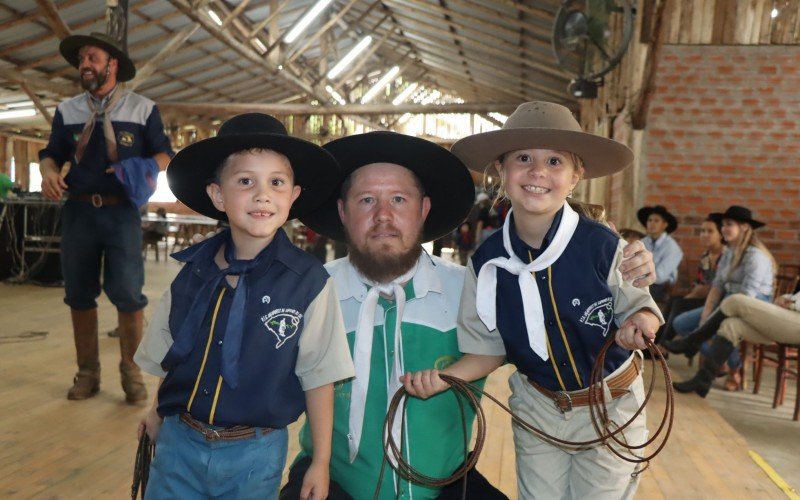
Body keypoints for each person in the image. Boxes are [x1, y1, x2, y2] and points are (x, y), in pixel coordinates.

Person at [285, 130, 659, 499]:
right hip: (334, 484)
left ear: (424, 210)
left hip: (446, 483)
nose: (384, 216)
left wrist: (620, 260)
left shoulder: (475, 283)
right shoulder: (308, 293)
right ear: (342, 211)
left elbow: (549, 293)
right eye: (366, 200)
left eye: (399, 199)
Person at [402, 101, 663, 500]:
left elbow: (641, 309)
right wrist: (443, 377)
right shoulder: (488, 263)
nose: (538, 171)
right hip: (539, 409)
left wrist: (640, 325)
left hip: (612, 407)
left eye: (554, 161)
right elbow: (487, 351)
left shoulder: (603, 245)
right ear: (502, 173)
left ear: (576, 177)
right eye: (523, 158)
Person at [133, 113, 354, 498]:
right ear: (218, 195)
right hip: (179, 444)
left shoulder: (309, 284)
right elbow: (175, 355)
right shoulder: (191, 272)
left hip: (256, 452)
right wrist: (156, 411)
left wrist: (320, 461)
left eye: (276, 182)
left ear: (293, 196)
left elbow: (320, 377)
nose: (262, 194)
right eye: (245, 181)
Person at [38, 32, 173, 403]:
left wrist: (136, 168)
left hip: (122, 214)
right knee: (78, 294)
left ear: (112, 64)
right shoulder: (68, 110)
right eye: (82, 59)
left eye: (92, 58)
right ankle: (87, 374)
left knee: (129, 295)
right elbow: (50, 153)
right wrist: (48, 172)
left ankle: (132, 374)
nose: (85, 65)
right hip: (78, 211)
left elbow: (165, 156)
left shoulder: (142, 108)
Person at [663, 205, 776, 396]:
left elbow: (747, 297)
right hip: (728, 303)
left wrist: (714, 319)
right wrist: (705, 317)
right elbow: (716, 287)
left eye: (729, 224)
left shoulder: (755, 256)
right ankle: (718, 357)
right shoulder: (730, 252)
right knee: (680, 323)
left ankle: (734, 369)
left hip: (755, 305)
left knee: (725, 319)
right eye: (723, 224)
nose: (724, 228)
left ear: (745, 227)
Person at [654, 216, 725, 350]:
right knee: (673, 300)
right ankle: (655, 344)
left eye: (710, 231)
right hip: (702, 298)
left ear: (720, 234)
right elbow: (699, 284)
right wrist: (695, 293)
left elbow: (713, 288)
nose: (704, 235)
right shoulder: (706, 256)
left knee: (680, 304)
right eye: (702, 231)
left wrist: (697, 292)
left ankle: (662, 347)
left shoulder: (725, 256)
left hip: (716, 301)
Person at [637, 205, 683, 303]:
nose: (652, 223)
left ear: (664, 225)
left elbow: (659, 277)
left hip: (661, 288)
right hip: (642, 282)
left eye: (656, 221)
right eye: (649, 220)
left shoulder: (672, 248)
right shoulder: (643, 242)